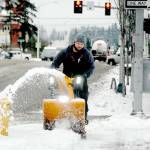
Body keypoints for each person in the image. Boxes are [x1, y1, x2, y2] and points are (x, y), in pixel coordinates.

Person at [51, 34, 95, 124]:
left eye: (81, 44)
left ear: (84, 45)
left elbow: (91, 67)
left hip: (81, 78)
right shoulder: (65, 52)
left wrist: (85, 75)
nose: (79, 45)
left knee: (83, 97)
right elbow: (55, 63)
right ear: (74, 42)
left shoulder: (86, 54)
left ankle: (83, 117)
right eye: (78, 43)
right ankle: (59, 114)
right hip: (66, 78)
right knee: (61, 95)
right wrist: (54, 71)